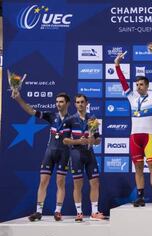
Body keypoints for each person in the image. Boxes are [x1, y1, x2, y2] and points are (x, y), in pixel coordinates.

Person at [114, 50, 152, 207]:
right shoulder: (132, 98)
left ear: (147, 86)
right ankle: (140, 197)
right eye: (137, 85)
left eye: (141, 84)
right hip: (134, 138)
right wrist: (117, 65)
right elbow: (123, 82)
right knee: (138, 167)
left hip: (148, 137)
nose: (138, 87)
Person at [12, 91, 71, 222]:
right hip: (49, 153)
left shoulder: (73, 120)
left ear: (67, 103)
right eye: (57, 102)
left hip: (64, 154)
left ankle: (58, 211)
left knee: (60, 183)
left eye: (61, 101)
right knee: (43, 181)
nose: (58, 104)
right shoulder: (51, 116)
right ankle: (38, 212)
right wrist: (19, 99)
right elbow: (31, 111)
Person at [63, 94, 104, 222]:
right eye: (77, 102)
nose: (80, 104)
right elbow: (64, 140)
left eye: (82, 102)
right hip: (76, 155)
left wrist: (93, 140)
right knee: (78, 185)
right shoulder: (69, 120)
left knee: (95, 183)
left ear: (87, 103)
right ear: (75, 104)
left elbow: (98, 140)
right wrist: (78, 142)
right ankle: (79, 213)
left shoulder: (92, 119)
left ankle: (94, 212)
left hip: (89, 154)